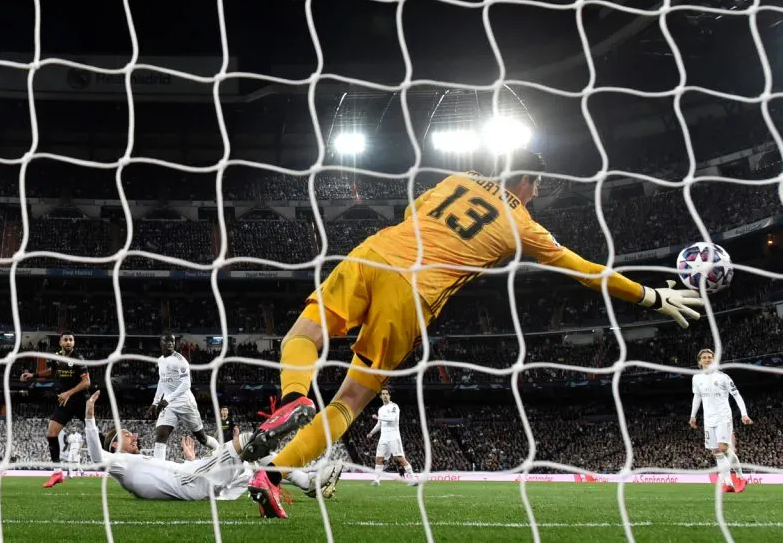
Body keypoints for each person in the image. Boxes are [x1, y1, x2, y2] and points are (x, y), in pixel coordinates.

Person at [242, 150, 707, 519]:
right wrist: (650, 296)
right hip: (414, 293)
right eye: (537, 186)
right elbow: (586, 271)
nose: (536, 195)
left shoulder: (457, 179)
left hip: (374, 253)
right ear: (525, 181)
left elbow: (413, 210)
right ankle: (274, 474)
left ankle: (292, 400)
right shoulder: (522, 224)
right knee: (350, 400)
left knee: (302, 334)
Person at [82, 391, 342, 502]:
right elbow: (96, 456)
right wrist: (90, 417)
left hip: (193, 476)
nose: (135, 436)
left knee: (251, 462)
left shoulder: (137, 463)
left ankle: (306, 479)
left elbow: (161, 480)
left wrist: (190, 459)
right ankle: (282, 424)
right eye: (127, 435)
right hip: (191, 481)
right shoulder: (118, 462)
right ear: (114, 444)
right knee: (247, 442)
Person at [20, 332, 91, 488]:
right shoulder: (57, 357)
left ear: (74, 342)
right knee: (51, 434)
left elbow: (86, 382)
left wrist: (68, 393)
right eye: (66, 339)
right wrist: (33, 375)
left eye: (71, 340)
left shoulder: (78, 358)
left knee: (96, 435)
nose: (68, 342)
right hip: (65, 402)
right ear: (60, 342)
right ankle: (57, 473)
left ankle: (117, 457)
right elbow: (52, 370)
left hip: (80, 401)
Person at [146, 333, 219, 460]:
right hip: (169, 405)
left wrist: (167, 399)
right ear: (161, 343)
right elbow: (162, 381)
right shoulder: (161, 360)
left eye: (172, 341)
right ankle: (158, 468)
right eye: (167, 340)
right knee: (161, 436)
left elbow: (186, 384)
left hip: (185, 403)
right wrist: (155, 402)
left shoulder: (180, 361)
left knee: (202, 438)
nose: (170, 343)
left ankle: (220, 450)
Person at [689, 348, 752, 493]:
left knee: (723, 448)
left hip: (723, 416)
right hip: (708, 419)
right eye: (704, 357)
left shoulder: (723, 377)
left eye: (709, 357)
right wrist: (693, 416)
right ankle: (728, 483)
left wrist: (744, 414)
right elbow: (697, 397)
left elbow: (736, 395)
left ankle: (739, 477)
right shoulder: (696, 378)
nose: (707, 359)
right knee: (717, 451)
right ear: (700, 361)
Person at [366, 389, 416, 486]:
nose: (385, 395)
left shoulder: (394, 406)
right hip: (383, 437)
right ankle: (377, 480)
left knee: (399, 458)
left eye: (386, 394)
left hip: (393, 436)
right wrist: (371, 433)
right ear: (381, 396)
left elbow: (392, 419)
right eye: (383, 394)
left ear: (389, 396)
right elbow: (379, 424)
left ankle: (413, 479)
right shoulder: (381, 409)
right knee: (379, 458)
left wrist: (378, 418)